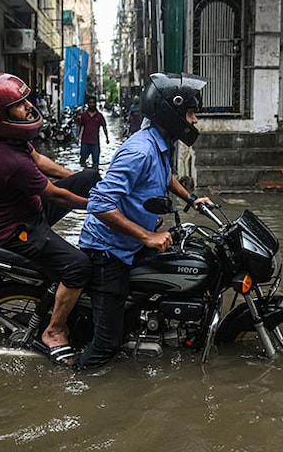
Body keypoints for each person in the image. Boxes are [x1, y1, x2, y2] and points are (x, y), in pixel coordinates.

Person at [75, 73, 214, 370]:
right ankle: (76, 379)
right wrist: (146, 237)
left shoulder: (161, 143)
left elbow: (165, 176)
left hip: (129, 245)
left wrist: (191, 200)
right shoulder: (139, 151)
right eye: (191, 113)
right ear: (172, 113)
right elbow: (99, 203)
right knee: (106, 344)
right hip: (108, 251)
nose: (195, 121)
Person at [0, 73, 99, 366]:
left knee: (89, 176)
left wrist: (76, 179)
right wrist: (98, 207)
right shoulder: (8, 160)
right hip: (19, 229)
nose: (28, 106)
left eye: (25, 100)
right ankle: (53, 331)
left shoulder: (2, 136)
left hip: (33, 208)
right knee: (79, 266)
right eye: (19, 104)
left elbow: (39, 160)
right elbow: (56, 196)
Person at [76, 95, 109, 168]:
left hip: (95, 143)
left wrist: (107, 138)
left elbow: (104, 127)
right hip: (85, 142)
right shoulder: (84, 115)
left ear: (95, 104)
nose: (92, 104)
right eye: (90, 103)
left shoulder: (99, 116)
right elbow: (79, 126)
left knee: (96, 163)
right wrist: (77, 137)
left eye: (93, 103)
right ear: (88, 104)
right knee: (82, 162)